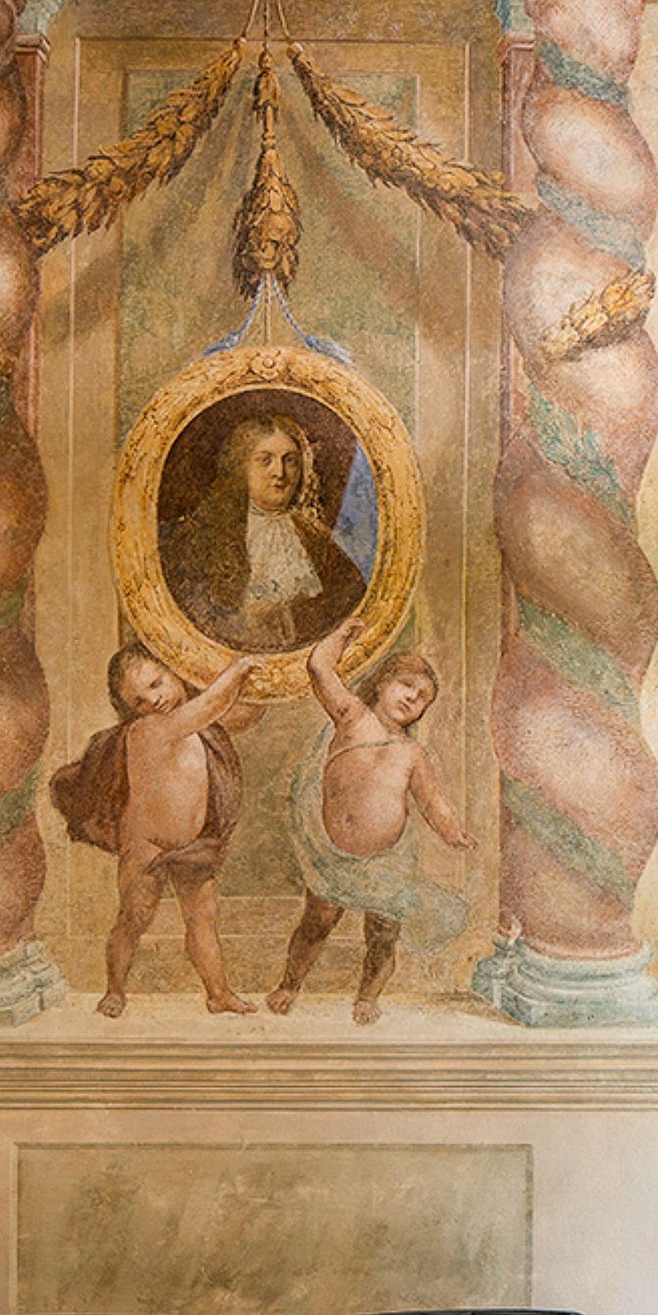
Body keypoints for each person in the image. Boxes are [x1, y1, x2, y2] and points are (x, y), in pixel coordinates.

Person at [268, 618, 472, 1025]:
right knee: (316, 924)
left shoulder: (412, 753)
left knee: (382, 934)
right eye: (406, 686)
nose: (412, 698)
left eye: (422, 698)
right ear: (381, 683)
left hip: (387, 863)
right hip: (334, 857)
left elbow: (433, 801)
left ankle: (367, 996)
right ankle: (289, 984)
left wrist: (453, 833)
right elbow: (319, 667)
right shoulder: (353, 717)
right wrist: (341, 635)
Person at [51, 643, 261, 1017]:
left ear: (176, 670)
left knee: (203, 919)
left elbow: (243, 713)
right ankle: (115, 990)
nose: (153, 700)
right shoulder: (148, 729)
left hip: (193, 844)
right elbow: (213, 703)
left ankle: (219, 993)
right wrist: (236, 670)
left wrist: (269, 682)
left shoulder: (197, 723)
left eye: (156, 683)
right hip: (145, 846)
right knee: (134, 918)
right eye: (139, 700)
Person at [161, 412, 366, 653]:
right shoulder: (202, 534)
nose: (279, 472)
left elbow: (348, 604)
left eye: (290, 461)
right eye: (265, 460)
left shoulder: (317, 539)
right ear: (241, 466)